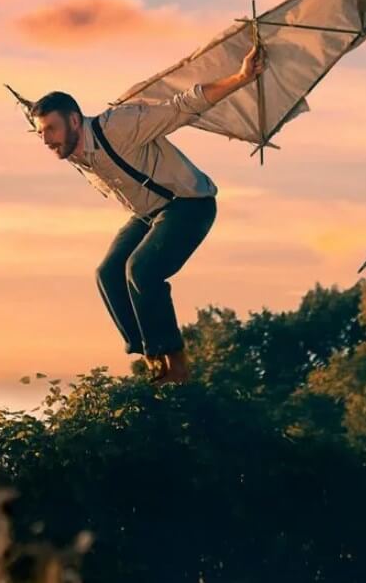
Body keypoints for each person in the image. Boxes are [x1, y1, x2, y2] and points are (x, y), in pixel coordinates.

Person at [29, 45, 265, 384]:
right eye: (40, 132)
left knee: (141, 270)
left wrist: (242, 78)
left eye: (50, 129)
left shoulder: (118, 127)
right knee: (108, 273)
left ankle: (178, 366)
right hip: (148, 214)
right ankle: (152, 358)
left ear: (75, 120)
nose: (45, 139)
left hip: (189, 203)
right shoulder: (77, 157)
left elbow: (182, 107)